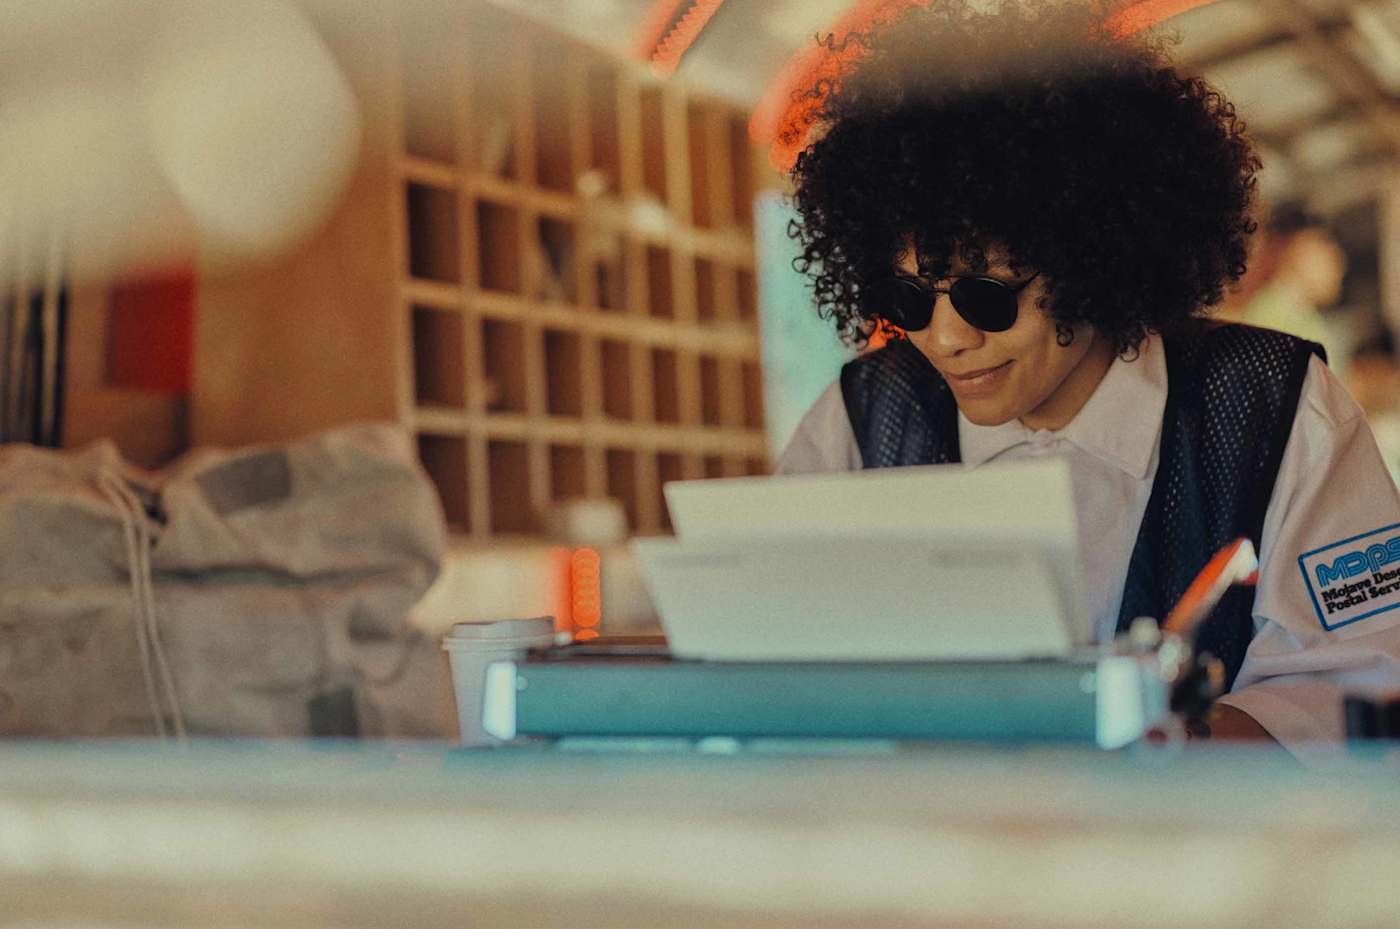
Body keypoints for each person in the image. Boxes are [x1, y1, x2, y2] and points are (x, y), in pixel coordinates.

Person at [777, 0, 1400, 748]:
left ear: (1094, 263)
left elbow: (1361, 681)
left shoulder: (1273, 405)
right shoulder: (862, 418)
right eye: (907, 297)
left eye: (988, 295)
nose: (945, 337)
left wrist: (1164, 747)